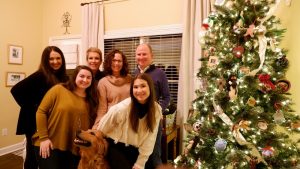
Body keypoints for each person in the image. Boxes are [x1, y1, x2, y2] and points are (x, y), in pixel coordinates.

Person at [10, 46, 68, 169]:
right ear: (45, 61)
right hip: (33, 122)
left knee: (45, 154)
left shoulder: (62, 77)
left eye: (58, 58)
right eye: (51, 59)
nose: (55, 61)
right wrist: (36, 107)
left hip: (48, 121)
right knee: (33, 155)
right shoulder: (40, 75)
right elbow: (15, 90)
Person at [32, 65, 99, 169]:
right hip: (50, 143)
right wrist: (44, 138)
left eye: (88, 77)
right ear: (75, 76)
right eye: (81, 76)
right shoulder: (59, 89)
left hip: (74, 147)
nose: (85, 80)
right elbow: (41, 112)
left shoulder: (91, 99)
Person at [98, 73, 162, 169]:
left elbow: (150, 139)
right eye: (135, 87)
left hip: (136, 148)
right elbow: (101, 129)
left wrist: (140, 163)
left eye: (143, 86)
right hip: (116, 147)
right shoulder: (121, 109)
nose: (139, 90)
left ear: (150, 88)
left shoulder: (156, 109)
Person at [134, 43, 170, 168]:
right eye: (139, 54)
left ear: (151, 56)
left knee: (154, 155)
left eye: (144, 54)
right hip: (136, 120)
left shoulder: (160, 73)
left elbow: (166, 97)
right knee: (138, 155)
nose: (141, 57)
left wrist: (158, 111)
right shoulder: (134, 73)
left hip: (153, 120)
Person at [92, 49, 131, 129]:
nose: (116, 63)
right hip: (112, 124)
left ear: (123, 63)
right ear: (109, 62)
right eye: (114, 60)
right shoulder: (103, 82)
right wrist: (97, 126)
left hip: (129, 123)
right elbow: (102, 108)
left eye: (119, 61)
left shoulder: (130, 80)